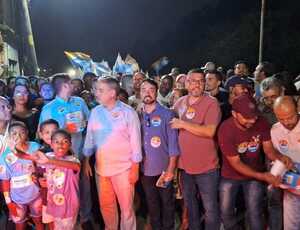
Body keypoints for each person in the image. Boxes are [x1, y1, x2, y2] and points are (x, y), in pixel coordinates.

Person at [217, 95, 293, 230]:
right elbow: (236, 163)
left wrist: (280, 157)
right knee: (226, 211)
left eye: (254, 116)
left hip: (255, 172)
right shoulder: (225, 129)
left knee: (255, 211)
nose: (252, 120)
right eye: (247, 117)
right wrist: (263, 176)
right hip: (230, 175)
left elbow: (269, 150)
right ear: (234, 114)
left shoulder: (261, 122)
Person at [83, 77, 142, 230]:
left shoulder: (128, 113)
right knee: (106, 207)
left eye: (100, 90)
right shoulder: (95, 112)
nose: (96, 93)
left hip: (124, 169)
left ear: (112, 93)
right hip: (101, 170)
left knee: (127, 208)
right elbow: (90, 138)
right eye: (96, 89)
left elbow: (136, 143)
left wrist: (135, 168)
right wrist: (86, 161)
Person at [39, 73, 93, 229]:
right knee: (61, 189)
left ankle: (85, 217)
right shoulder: (48, 109)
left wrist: (87, 154)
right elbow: (43, 134)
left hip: (80, 154)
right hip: (58, 160)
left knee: (84, 187)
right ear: (64, 85)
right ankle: (62, 218)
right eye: (70, 82)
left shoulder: (80, 101)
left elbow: (88, 124)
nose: (74, 85)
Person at [171, 68, 221, 230]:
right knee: (191, 206)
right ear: (186, 83)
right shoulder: (180, 103)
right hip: (185, 167)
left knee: (210, 208)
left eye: (200, 81)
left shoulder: (211, 103)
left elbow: (209, 131)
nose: (196, 84)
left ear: (204, 83)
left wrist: (183, 124)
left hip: (206, 167)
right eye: (193, 81)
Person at [139, 79, 180, 230]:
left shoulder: (167, 114)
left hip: (164, 169)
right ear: (140, 92)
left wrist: (171, 169)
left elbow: (174, 145)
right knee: (152, 204)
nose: (147, 93)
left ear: (156, 92)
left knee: (167, 203)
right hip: (145, 170)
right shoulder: (137, 114)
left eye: (151, 90)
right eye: (144, 89)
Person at [0, 121, 43, 230]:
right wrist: (9, 202)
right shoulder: (5, 156)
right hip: (17, 198)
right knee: (19, 224)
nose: (18, 136)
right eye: (14, 133)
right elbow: (5, 181)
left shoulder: (34, 147)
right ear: (9, 136)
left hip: (36, 195)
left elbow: (42, 167)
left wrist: (37, 173)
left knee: (38, 220)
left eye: (21, 132)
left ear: (27, 133)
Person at [35, 129, 81, 230]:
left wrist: (50, 160)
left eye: (65, 141)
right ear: (51, 145)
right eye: (56, 142)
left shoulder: (73, 160)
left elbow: (76, 166)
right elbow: (34, 161)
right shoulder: (48, 157)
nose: (60, 145)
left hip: (69, 206)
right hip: (54, 203)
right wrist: (39, 178)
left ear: (70, 144)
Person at [271, 96, 300, 230]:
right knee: (290, 225)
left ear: (297, 109)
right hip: (291, 188)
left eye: (290, 117)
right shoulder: (275, 130)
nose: (286, 122)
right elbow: (277, 158)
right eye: (281, 118)